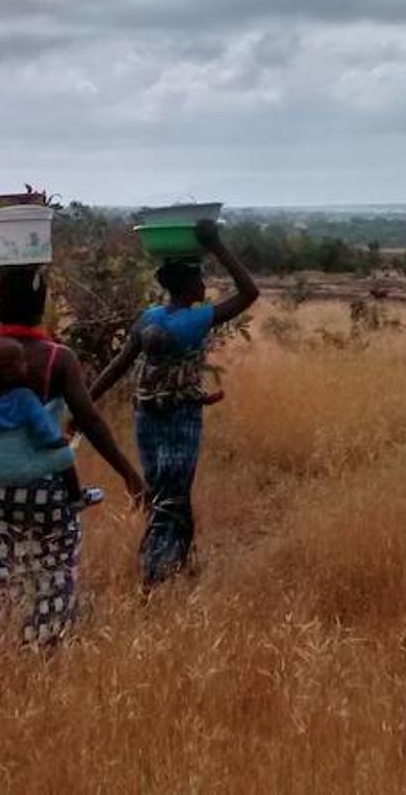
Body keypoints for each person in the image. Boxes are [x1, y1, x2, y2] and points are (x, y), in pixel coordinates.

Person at [0, 265, 145, 644]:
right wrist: (128, 473)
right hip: (47, 493)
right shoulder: (59, 358)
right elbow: (88, 419)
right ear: (41, 307)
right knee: (50, 575)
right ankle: (44, 650)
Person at [90, 219, 258, 588]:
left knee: (164, 491)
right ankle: (155, 575)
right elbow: (249, 292)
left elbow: (120, 364)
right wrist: (216, 244)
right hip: (179, 420)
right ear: (186, 284)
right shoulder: (195, 320)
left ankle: (181, 562)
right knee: (173, 495)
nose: (204, 284)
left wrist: (86, 402)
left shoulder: (149, 318)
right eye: (199, 278)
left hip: (146, 417)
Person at [0, 336, 80, 493]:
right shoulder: (25, 397)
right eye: (21, 362)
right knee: (67, 456)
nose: (26, 364)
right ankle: (76, 497)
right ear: (10, 374)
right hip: (23, 471)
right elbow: (44, 430)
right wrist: (58, 441)